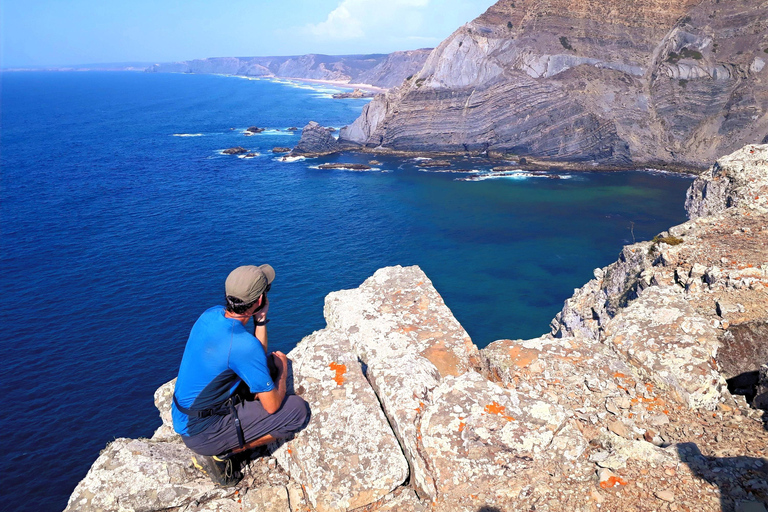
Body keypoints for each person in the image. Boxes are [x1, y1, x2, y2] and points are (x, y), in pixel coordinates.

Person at [171, 264, 309, 486]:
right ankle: (221, 454)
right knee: (297, 411)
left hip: (187, 415)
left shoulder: (211, 314)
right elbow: (272, 406)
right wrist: (283, 371)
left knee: (267, 368)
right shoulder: (241, 344)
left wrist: (260, 320)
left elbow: (255, 359)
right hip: (202, 431)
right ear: (260, 300)